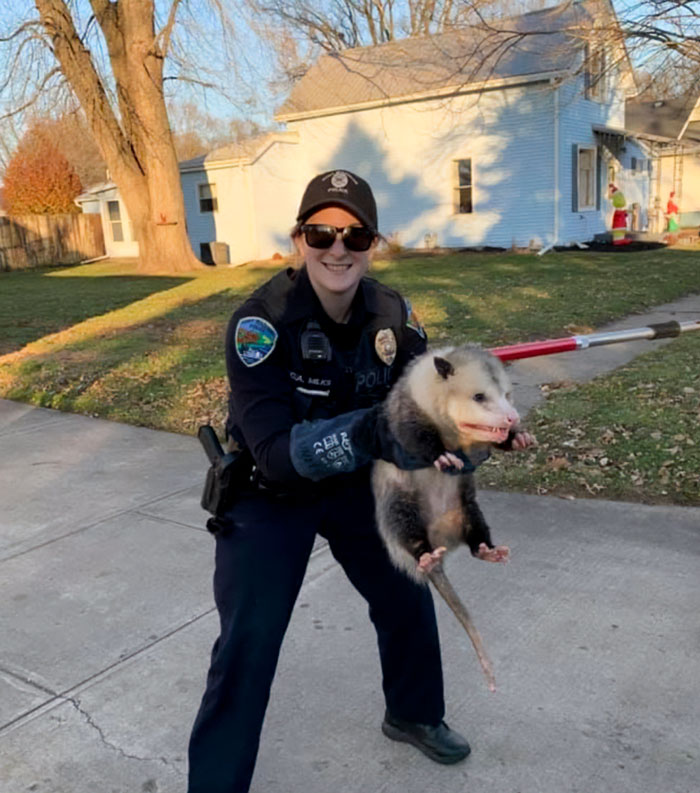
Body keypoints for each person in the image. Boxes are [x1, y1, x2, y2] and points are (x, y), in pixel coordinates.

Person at [187, 170, 479, 793]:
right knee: (249, 642)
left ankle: (413, 714)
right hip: (270, 497)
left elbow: (427, 401)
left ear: (374, 244)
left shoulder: (394, 316)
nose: (338, 248)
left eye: (355, 234)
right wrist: (372, 432)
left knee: (407, 588)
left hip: (351, 488)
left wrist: (467, 428)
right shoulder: (258, 324)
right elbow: (272, 454)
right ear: (299, 240)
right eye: (321, 232)